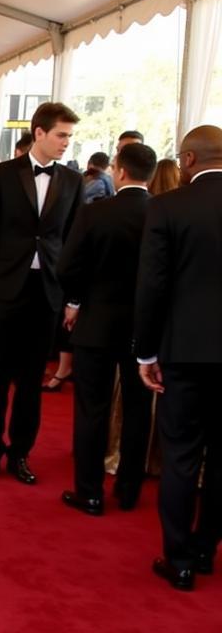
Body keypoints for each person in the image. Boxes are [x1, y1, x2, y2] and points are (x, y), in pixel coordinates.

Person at [0, 102, 84, 485]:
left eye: (69, 136)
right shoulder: (2, 174)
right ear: (39, 133)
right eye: (61, 134)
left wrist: (72, 297)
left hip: (47, 291)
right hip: (3, 290)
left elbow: (73, 242)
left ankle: (20, 453)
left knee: (32, 380)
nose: (67, 142)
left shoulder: (72, 180)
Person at [134, 124, 222, 591]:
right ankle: (208, 548)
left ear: (188, 160)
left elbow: (152, 286)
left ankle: (180, 558)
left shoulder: (167, 206)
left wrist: (145, 351)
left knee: (182, 456)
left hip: (183, 352)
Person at [58, 141, 156, 515]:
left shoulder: (95, 213)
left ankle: (90, 492)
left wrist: (78, 299)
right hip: (144, 329)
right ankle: (129, 490)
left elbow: (67, 267)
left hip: (97, 323)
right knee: (137, 410)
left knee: (91, 409)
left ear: (120, 170)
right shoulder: (161, 213)